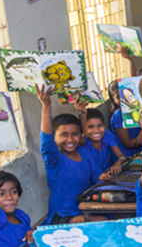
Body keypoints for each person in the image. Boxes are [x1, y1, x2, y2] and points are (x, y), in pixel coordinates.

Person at [36, 85, 98, 224]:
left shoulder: (84, 152)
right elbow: (46, 142)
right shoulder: (54, 159)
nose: (70, 140)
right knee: (99, 221)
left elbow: (98, 178)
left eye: (74, 134)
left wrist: (83, 114)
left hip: (86, 209)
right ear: (54, 137)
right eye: (64, 135)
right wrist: (46, 106)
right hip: (63, 216)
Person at [76, 102, 124, 181]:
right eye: (91, 127)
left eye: (100, 126)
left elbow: (121, 156)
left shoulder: (106, 135)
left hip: (109, 177)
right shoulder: (84, 144)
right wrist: (82, 113)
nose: (96, 130)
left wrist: (118, 163)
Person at [108, 80, 142, 156]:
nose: (123, 99)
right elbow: (128, 144)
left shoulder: (139, 110)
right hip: (129, 156)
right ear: (114, 100)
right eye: (118, 97)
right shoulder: (118, 116)